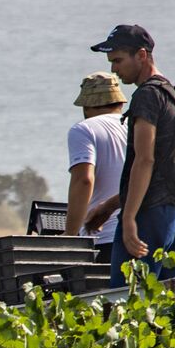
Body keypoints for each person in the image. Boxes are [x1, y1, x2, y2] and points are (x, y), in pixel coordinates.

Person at [87, 25, 175, 286]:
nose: (114, 70)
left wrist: (129, 217)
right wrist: (109, 206)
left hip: (148, 215)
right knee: (163, 300)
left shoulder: (146, 96)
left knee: (127, 301)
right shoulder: (173, 94)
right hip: (173, 215)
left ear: (142, 55)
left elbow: (145, 160)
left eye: (118, 61)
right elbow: (161, 170)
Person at [64, 72, 127, 265]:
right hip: (144, 231)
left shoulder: (84, 129)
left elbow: (84, 180)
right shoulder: (138, 125)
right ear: (120, 103)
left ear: (86, 105)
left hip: (105, 235)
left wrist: (70, 234)